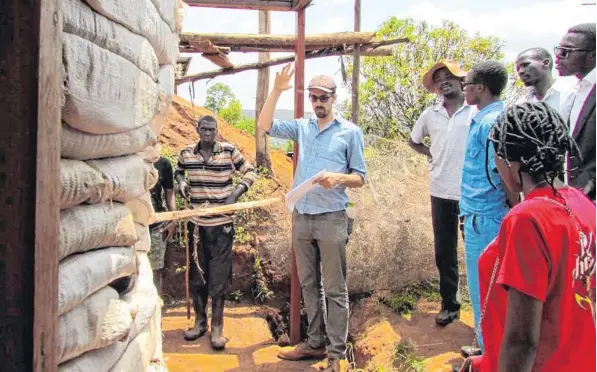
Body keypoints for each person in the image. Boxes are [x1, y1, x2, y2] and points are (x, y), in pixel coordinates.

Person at [458, 101, 596, 372]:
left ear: (510, 161)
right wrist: (485, 362)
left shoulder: (527, 220)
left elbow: (522, 341)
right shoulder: (583, 204)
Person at [257, 65, 367, 372]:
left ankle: (336, 354)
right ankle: (314, 342)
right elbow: (264, 125)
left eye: (323, 97)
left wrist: (338, 177)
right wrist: (277, 89)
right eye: (313, 97)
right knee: (308, 283)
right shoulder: (302, 128)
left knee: (335, 288)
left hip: (332, 218)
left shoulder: (350, 133)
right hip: (302, 217)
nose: (318, 102)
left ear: (333, 99)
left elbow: (360, 178)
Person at [175, 115, 258, 350]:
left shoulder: (229, 151)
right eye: (204, 129)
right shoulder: (186, 153)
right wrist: (181, 183)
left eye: (212, 129)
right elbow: (179, 172)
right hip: (197, 225)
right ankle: (200, 323)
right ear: (198, 129)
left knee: (219, 276)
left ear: (217, 130)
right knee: (198, 274)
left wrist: (235, 194)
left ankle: (217, 327)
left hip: (222, 225)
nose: (208, 133)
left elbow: (250, 172)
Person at [409, 60, 476, 326]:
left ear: (462, 81)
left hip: (472, 193)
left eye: (449, 76)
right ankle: (450, 305)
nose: (443, 81)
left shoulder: (475, 112)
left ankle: (483, 307)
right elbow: (413, 141)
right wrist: (432, 154)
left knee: (475, 251)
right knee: (445, 252)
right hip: (440, 190)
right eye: (438, 80)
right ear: (435, 88)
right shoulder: (430, 115)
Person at [459, 61, 519, 354]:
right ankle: (488, 349)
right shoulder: (485, 118)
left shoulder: (490, 123)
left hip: (487, 218)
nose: (464, 89)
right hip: (479, 216)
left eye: (467, 84)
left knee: (486, 291)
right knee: (486, 289)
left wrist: (513, 214)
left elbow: (504, 174)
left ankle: (489, 355)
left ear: (480, 88)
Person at [556, 23, 596, 201]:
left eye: (566, 51)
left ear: (592, 56)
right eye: (558, 50)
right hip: (577, 200)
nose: (558, 57)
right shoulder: (576, 92)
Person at [516, 47, 576, 118]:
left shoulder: (570, 96)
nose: (520, 71)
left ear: (545, 63)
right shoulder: (521, 104)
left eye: (525, 65)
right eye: (518, 68)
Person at [148, 155, 177, 296]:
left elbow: (169, 193)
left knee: (156, 271)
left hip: (156, 226)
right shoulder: (127, 160)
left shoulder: (163, 163)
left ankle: (156, 311)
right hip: (132, 227)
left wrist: (173, 219)